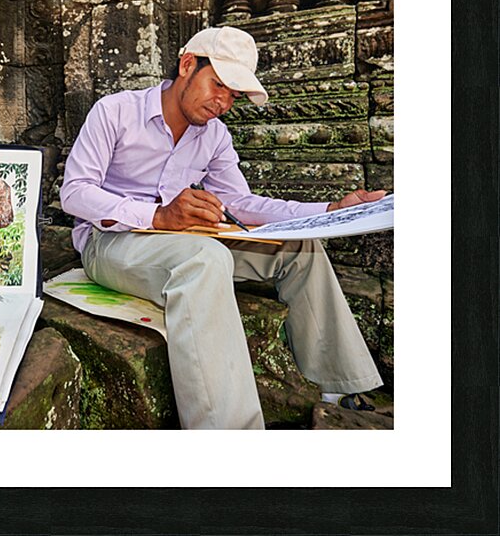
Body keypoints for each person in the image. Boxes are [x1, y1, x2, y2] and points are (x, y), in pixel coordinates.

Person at [59, 26, 385, 430]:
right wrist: (158, 217)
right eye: (219, 85)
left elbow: (241, 205)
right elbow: (74, 193)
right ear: (187, 65)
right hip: (110, 241)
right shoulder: (115, 112)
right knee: (206, 259)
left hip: (181, 240)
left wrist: (330, 209)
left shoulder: (214, 136)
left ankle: (340, 387)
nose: (223, 103)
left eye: (233, 95)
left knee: (300, 248)